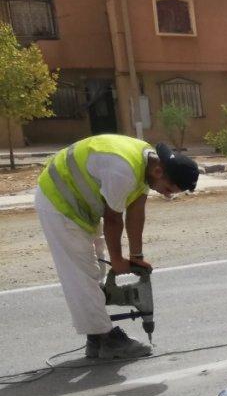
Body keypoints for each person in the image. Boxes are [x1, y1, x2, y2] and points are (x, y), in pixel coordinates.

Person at [34, 135, 199, 359]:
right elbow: (113, 218)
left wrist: (136, 256)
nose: (167, 194)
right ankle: (105, 339)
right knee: (82, 275)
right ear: (159, 172)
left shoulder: (146, 163)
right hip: (58, 202)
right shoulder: (123, 170)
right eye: (169, 189)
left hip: (80, 207)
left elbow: (136, 211)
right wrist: (119, 260)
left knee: (97, 270)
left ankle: (95, 338)